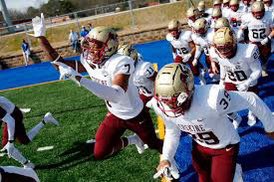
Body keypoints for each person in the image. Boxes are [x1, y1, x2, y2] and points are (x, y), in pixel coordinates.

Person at [31, 13, 163, 160]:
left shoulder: (121, 61)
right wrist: (41, 39)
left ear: (110, 47)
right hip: (114, 114)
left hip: (135, 114)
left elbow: (116, 94)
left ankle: (170, 163)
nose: (91, 49)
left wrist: (79, 79)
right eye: (90, 44)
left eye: (97, 45)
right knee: (100, 152)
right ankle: (133, 140)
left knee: (153, 144)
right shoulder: (89, 61)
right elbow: (60, 64)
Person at [149, 63, 274, 182]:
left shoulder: (212, 98)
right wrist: (166, 158)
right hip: (199, 145)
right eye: (166, 101)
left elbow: (251, 99)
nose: (170, 107)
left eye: (175, 101)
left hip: (224, 146)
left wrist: (270, 126)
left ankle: (235, 173)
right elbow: (172, 132)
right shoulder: (159, 105)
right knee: (203, 176)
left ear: (189, 89)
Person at [0, 96, 59, 168]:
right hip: (14, 112)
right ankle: (46, 119)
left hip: (13, 116)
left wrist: (11, 141)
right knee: (24, 140)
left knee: (6, 145)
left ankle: (28, 164)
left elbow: (10, 120)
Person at [238, 1, 274, 76]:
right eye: (255, 13)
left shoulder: (270, 16)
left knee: (265, 56)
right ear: (251, 12)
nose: (257, 15)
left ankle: (263, 68)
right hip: (252, 41)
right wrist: (240, 36)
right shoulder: (247, 17)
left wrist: (268, 38)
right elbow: (242, 28)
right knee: (251, 57)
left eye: (259, 12)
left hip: (265, 41)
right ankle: (252, 70)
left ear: (264, 10)